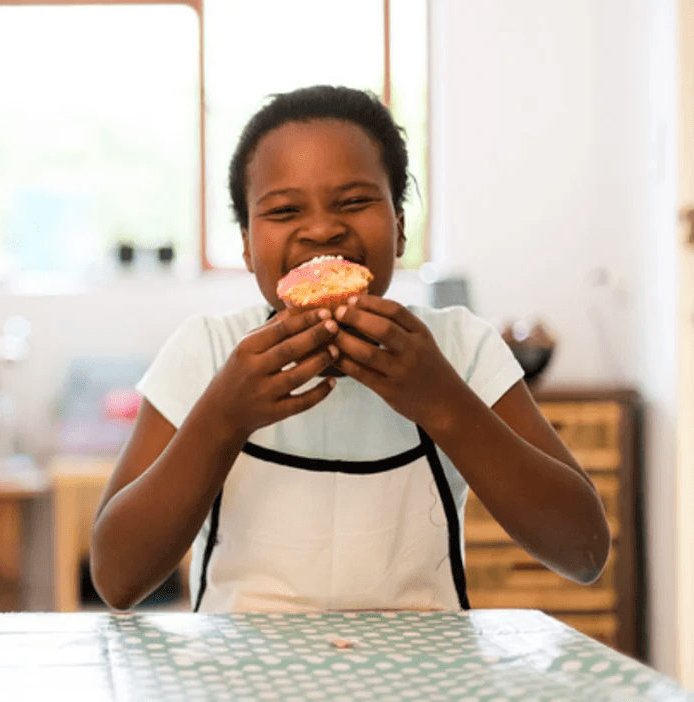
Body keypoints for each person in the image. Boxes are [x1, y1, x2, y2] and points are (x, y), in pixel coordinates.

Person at [90, 85, 610, 613]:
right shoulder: (208, 352)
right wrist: (222, 417)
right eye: (285, 209)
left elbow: (583, 551)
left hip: (418, 681)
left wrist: (441, 400)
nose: (321, 229)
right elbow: (117, 578)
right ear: (247, 245)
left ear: (401, 229)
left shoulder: (458, 348)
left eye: (356, 202)